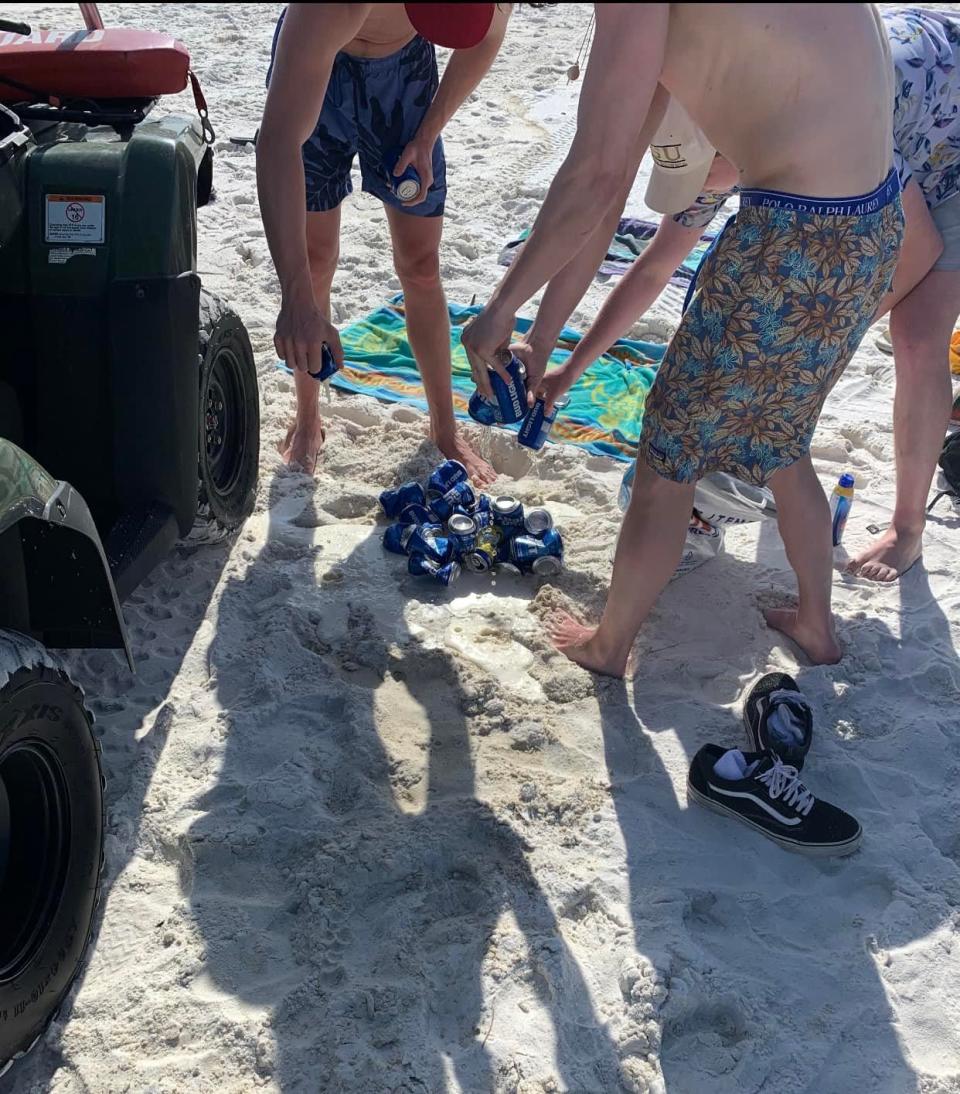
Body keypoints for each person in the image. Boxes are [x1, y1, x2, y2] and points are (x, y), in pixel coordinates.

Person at [462, 3, 903, 676]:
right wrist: (541, 341)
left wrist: (498, 310)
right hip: (872, 224)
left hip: (791, 236)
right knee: (782, 437)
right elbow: (605, 206)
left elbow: (596, 176)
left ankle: (609, 646)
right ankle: (816, 623)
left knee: (666, 462)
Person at [530, 6, 960, 585]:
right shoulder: (704, 149)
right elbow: (655, 268)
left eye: (710, 178)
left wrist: (797, 351)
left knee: (915, 335)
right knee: (754, 313)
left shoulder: (820, 124)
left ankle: (907, 528)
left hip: (942, 120)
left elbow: (918, 250)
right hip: (893, 122)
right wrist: (571, 367)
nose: (703, 190)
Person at [257, 3, 510, 480]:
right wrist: (293, 294)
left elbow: (488, 38)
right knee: (313, 262)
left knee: (420, 264)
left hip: (406, 73)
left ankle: (444, 427)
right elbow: (277, 141)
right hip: (323, 63)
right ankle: (309, 419)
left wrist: (428, 131)